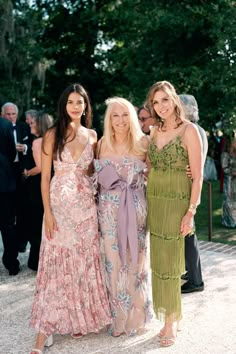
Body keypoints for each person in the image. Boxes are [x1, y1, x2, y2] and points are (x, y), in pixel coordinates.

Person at [30, 84, 111, 354]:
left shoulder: (92, 135)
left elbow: (92, 173)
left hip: (86, 211)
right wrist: (48, 214)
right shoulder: (53, 134)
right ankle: (45, 330)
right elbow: (44, 179)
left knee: (83, 263)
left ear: (86, 106)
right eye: (71, 102)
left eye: (81, 102)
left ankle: (79, 318)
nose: (76, 107)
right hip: (60, 210)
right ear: (63, 106)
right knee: (54, 266)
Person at [146, 81, 203, 347]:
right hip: (155, 201)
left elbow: (198, 176)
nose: (161, 106)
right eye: (156, 102)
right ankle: (170, 317)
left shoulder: (189, 130)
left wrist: (190, 211)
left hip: (177, 201)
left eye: (165, 100)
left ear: (174, 100)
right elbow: (148, 167)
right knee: (159, 262)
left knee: (171, 263)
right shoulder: (153, 131)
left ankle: (170, 322)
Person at [94, 97, 152, 337]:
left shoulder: (144, 142)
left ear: (132, 117)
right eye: (115, 116)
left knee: (135, 261)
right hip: (107, 211)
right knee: (112, 262)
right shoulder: (100, 144)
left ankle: (136, 318)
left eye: (125, 115)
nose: (120, 120)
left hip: (136, 208)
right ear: (109, 119)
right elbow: (91, 177)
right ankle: (117, 318)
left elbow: (155, 175)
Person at [179, 94, 207, 293]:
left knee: (189, 233)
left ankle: (196, 280)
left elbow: (198, 164)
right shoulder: (196, 129)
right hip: (190, 185)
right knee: (189, 233)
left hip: (190, 187)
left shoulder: (193, 130)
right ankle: (191, 272)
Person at [1, 102, 34, 253]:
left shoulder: (24, 127)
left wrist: (25, 148)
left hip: (21, 170)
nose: (11, 117)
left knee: (22, 207)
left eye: (13, 114)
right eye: (8, 114)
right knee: (8, 210)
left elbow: (33, 144)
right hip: (5, 171)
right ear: (2, 114)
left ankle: (21, 242)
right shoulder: (2, 128)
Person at [22, 112, 54, 271]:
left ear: (40, 125)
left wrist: (27, 173)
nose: (30, 125)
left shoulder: (38, 142)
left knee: (36, 223)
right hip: (53, 184)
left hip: (38, 186)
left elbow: (40, 167)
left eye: (32, 123)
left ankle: (36, 262)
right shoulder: (56, 140)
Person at [0, 116, 20, 275]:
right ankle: (11, 264)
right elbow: (12, 151)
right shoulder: (6, 124)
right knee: (8, 224)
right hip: (5, 180)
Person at [221, 132, 236, 228]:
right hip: (229, 180)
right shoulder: (225, 154)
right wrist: (232, 172)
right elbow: (224, 168)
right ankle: (229, 221)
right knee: (228, 201)